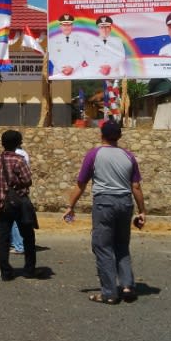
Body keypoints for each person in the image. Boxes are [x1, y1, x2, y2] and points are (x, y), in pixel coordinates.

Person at [63, 120, 147, 304]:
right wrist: (142, 211)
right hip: (125, 203)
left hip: (104, 204)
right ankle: (127, 286)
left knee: (103, 246)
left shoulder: (94, 154)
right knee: (122, 245)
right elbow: (136, 186)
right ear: (119, 136)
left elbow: (81, 184)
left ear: (102, 135)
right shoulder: (128, 156)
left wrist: (71, 205)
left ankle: (109, 293)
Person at [0, 130, 36, 281]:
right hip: (18, 203)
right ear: (18, 144)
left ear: (2, 143)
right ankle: (29, 269)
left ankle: (5, 272)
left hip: (1, 204)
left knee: (4, 237)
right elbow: (28, 180)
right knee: (28, 236)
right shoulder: (19, 160)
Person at [10, 143, 31, 255]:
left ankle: (18, 245)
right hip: (22, 191)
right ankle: (16, 242)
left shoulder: (16, 155)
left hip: (13, 191)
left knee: (13, 219)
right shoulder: (24, 154)